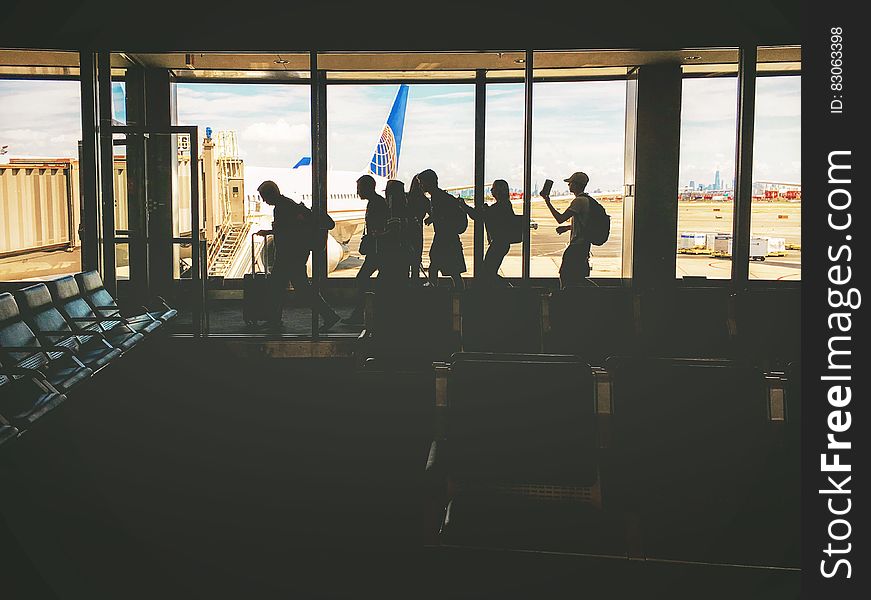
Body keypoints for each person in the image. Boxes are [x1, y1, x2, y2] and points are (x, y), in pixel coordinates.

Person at [256, 180, 341, 332]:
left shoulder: (282, 207)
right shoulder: (288, 204)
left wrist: (271, 232)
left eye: (264, 196)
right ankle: (275, 319)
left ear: (271, 194)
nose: (264, 200)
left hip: (289, 256)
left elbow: (287, 231)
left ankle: (328, 315)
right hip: (293, 254)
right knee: (287, 287)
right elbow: (290, 228)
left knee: (287, 288)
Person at [344, 174, 389, 324]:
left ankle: (362, 314)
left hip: (378, 250)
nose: (358, 192)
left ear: (367, 188)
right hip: (377, 250)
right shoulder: (375, 202)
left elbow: (380, 228)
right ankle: (363, 313)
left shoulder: (377, 204)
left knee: (363, 279)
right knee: (369, 281)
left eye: (359, 188)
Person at [541, 171, 593, 288]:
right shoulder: (586, 200)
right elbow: (583, 223)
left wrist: (547, 201)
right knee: (578, 277)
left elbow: (560, 218)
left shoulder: (579, 201)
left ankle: (566, 299)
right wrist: (568, 227)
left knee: (565, 274)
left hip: (577, 246)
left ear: (575, 184)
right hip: (584, 245)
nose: (568, 185)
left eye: (570, 183)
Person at [416, 169, 466, 289]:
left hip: (445, 238)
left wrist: (433, 218)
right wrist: (432, 218)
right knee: (449, 269)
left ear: (429, 182)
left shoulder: (438, 197)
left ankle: (434, 289)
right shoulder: (439, 196)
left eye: (422, 183)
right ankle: (452, 292)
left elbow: (443, 215)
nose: (421, 186)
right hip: (446, 237)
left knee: (440, 266)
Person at [462, 179, 516, 284]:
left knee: (487, 273)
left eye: (494, 188)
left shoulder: (499, 206)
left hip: (499, 243)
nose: (491, 190)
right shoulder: (505, 204)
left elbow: (477, 216)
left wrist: (464, 206)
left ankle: (508, 288)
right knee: (489, 272)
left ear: (499, 191)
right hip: (501, 243)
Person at [380, 179, 412, 285]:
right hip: (404, 250)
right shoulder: (405, 207)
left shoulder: (394, 208)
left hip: (394, 252)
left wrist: (378, 236)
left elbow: (394, 231)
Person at [406, 175, 430, 281]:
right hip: (417, 233)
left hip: (405, 233)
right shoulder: (424, 200)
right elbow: (434, 214)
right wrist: (429, 219)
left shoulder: (406, 198)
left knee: (405, 263)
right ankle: (415, 286)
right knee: (416, 263)